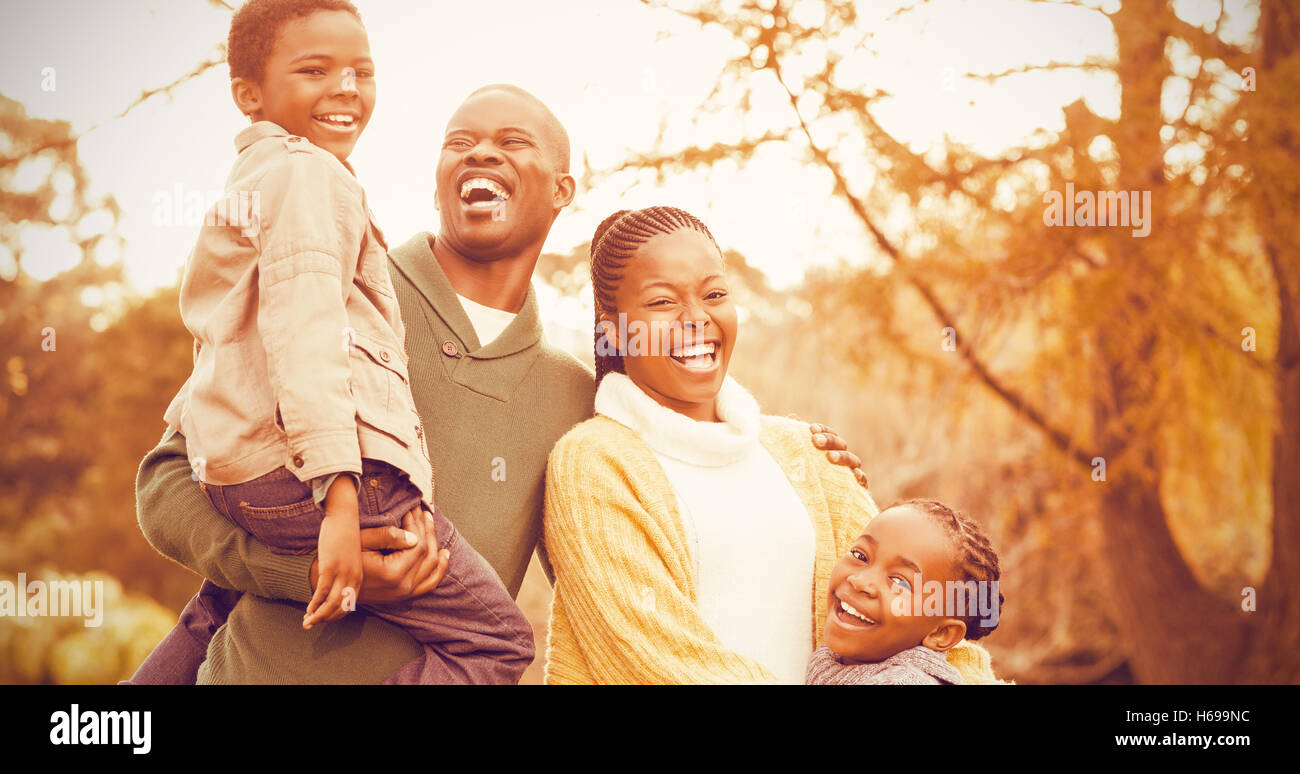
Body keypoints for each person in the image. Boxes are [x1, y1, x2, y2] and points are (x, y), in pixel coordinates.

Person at [131, 67, 869, 682]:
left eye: (512, 143)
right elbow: (167, 483)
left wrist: (786, 452)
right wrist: (315, 570)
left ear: (562, 189)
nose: (482, 155)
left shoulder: (576, 401)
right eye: (461, 143)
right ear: (439, 179)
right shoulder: (330, 303)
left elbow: (658, 532)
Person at [147, 0, 535, 684]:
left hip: (250, 480)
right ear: (249, 94)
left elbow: (233, 358)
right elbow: (303, 340)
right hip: (325, 483)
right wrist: (336, 507)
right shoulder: (310, 177)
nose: (347, 88)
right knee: (500, 641)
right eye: (315, 69)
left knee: (217, 600)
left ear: (565, 187)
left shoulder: (565, 386)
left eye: (362, 71)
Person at [543, 206, 1002, 684]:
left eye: (714, 293)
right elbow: (653, 660)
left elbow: (922, 627)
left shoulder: (807, 454)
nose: (696, 319)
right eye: (662, 302)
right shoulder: (594, 464)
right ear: (612, 326)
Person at [807, 499, 1005, 685]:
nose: (860, 582)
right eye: (861, 556)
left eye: (899, 582)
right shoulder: (836, 658)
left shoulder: (905, 680)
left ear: (941, 633)